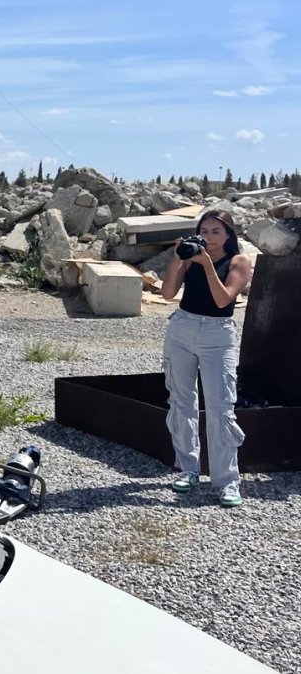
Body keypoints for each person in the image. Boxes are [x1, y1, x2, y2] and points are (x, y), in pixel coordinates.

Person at [159, 209, 253, 507]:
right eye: (205, 231)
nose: (210, 237)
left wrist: (207, 265)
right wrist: (179, 259)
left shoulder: (239, 262)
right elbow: (167, 293)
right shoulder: (190, 257)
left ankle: (226, 480)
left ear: (228, 234)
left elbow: (224, 298)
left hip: (217, 335)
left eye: (216, 231)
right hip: (183, 327)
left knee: (220, 408)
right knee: (181, 401)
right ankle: (188, 468)